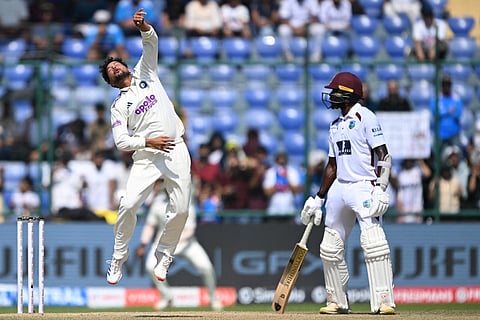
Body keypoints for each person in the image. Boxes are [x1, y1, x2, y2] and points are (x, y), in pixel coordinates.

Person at [99, 8, 192, 285]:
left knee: (182, 208)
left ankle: (164, 254)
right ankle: (117, 258)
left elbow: (151, 42)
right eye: (109, 70)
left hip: (175, 148)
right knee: (128, 205)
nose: (114, 67)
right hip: (146, 156)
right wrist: (148, 141)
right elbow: (121, 141)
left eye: (116, 64)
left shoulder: (146, 72)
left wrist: (143, 27)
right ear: (111, 82)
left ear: (126, 66)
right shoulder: (118, 106)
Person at [300, 72, 396, 314]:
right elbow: (332, 165)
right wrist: (318, 197)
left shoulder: (366, 116)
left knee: (373, 243)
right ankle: (337, 301)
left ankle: (383, 301)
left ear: (347, 94)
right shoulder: (335, 125)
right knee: (330, 247)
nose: (331, 96)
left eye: (335, 91)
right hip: (340, 188)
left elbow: (384, 155)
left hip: (364, 185)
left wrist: (381, 188)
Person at [135, 179, 223, 311]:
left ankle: (213, 298)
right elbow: (150, 226)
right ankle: (167, 297)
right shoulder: (158, 204)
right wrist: (143, 244)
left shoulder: (186, 203)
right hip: (162, 243)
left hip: (187, 244)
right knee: (149, 267)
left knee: (206, 267)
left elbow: (189, 231)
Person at [430, 75, 464, 150]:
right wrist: (448, 111)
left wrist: (443, 112)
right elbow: (435, 113)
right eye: (444, 85)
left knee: (458, 153)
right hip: (440, 133)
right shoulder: (436, 98)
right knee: (437, 155)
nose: (446, 87)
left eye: (448, 84)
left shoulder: (456, 98)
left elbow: (458, 114)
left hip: (454, 132)